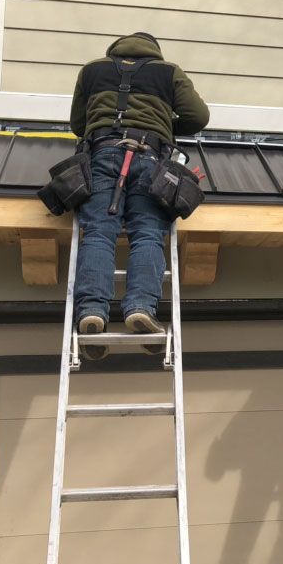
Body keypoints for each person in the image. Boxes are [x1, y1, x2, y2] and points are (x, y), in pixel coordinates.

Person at [70, 32, 209, 358]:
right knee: (147, 233)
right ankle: (141, 309)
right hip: (150, 156)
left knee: (99, 233)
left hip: (102, 152)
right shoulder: (168, 71)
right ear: (154, 52)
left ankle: (92, 311)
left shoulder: (91, 70)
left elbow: (79, 123)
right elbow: (199, 117)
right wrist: (162, 124)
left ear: (114, 50)